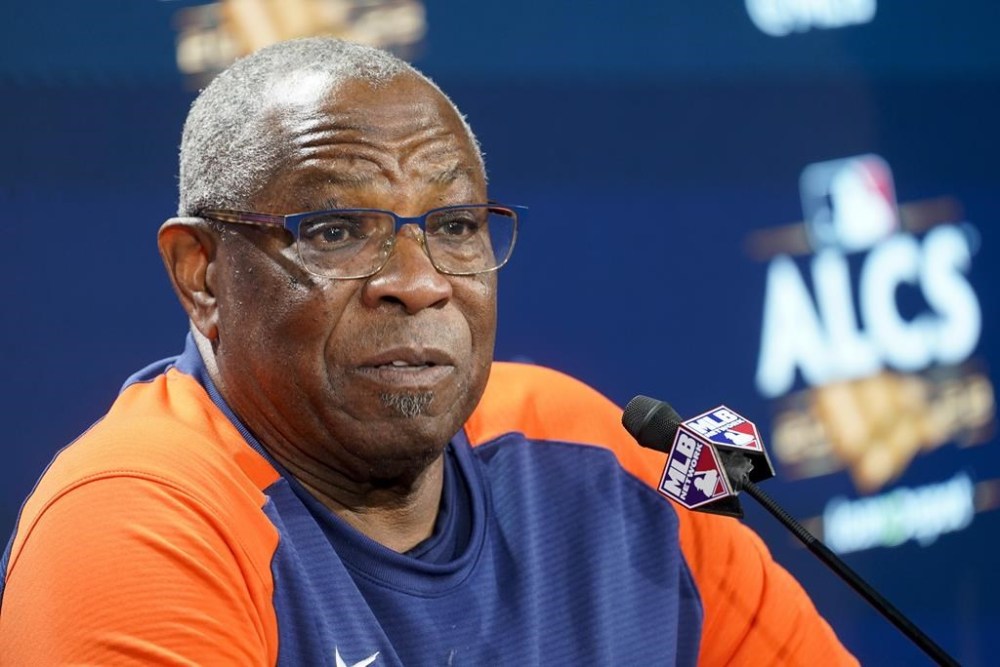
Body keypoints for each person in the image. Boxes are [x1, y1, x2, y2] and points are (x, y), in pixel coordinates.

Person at [0, 38, 857, 665]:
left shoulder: (594, 447)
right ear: (202, 276)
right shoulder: (133, 529)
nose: (418, 281)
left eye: (452, 227)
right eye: (334, 230)